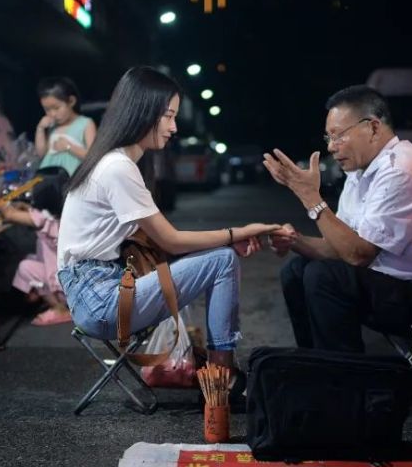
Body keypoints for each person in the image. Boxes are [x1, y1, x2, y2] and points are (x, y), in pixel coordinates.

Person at [57, 66, 279, 374]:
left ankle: (220, 377)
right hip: (100, 301)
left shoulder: (114, 162)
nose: (174, 127)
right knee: (223, 261)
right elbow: (170, 240)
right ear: (143, 112)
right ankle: (221, 379)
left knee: (219, 257)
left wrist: (226, 241)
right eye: (168, 116)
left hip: (96, 292)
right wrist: (239, 232)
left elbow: (161, 243)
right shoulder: (117, 167)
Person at [263, 85, 412, 353]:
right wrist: (294, 240)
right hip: (394, 282)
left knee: (325, 277)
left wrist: (311, 198)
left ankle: (345, 375)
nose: (331, 146)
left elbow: (358, 255)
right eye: (328, 137)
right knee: (296, 270)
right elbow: (341, 248)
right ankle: (316, 365)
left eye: (338, 135)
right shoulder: (359, 173)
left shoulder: (400, 170)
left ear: (373, 127)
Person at [0, 171, 71, 326]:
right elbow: (40, 214)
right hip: (72, 279)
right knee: (31, 258)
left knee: (26, 268)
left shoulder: (43, 219)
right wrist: (27, 207)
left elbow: (9, 214)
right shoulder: (61, 215)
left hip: (62, 285)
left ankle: (59, 308)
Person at [34, 76, 97, 177]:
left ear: (71, 101)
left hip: (72, 177)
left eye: (56, 108)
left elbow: (93, 157)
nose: (53, 114)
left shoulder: (85, 123)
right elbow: (42, 154)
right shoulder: (53, 127)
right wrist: (40, 129)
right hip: (50, 177)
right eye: (47, 110)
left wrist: (68, 147)